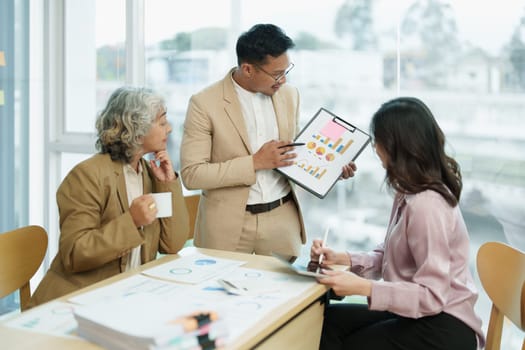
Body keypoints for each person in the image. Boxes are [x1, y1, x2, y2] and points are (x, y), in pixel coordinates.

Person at [310, 97, 485, 350]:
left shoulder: (427, 204)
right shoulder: (410, 189)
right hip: (421, 313)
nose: (376, 149)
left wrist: (364, 287)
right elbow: (394, 258)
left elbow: (432, 297)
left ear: (396, 146)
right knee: (328, 322)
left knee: (350, 343)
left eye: (377, 141)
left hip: (445, 325)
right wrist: (344, 258)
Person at [180, 23, 355, 257]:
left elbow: (294, 156)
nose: (282, 80)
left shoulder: (290, 95)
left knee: (290, 293)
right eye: (276, 74)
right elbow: (192, 174)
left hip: (282, 221)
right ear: (248, 69)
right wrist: (255, 162)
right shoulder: (204, 103)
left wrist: (331, 169)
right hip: (228, 226)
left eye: (286, 71)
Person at [30, 87, 190, 306]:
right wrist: (132, 221)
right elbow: (75, 253)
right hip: (74, 302)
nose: (169, 129)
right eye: (162, 123)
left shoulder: (148, 173)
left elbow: (172, 244)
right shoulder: (87, 175)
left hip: (122, 299)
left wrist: (168, 183)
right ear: (136, 128)